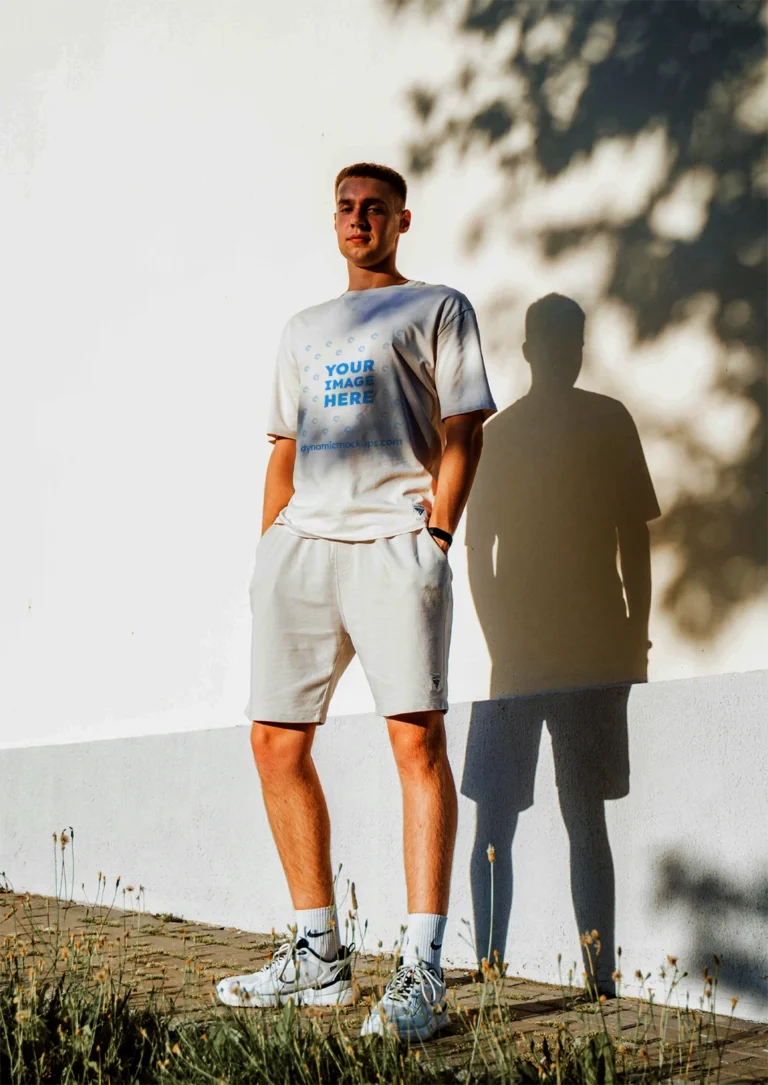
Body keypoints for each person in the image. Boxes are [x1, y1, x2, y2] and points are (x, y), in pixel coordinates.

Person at [216, 163, 496, 1040]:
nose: (358, 219)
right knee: (274, 740)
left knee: (416, 741)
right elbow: (284, 447)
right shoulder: (303, 327)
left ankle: (422, 972)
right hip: (302, 550)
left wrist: (438, 536)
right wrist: (269, 554)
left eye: (375, 207)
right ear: (333, 219)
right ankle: (318, 955)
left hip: (392, 546)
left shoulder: (438, 307)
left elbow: (463, 429)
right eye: (345, 206)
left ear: (402, 219)